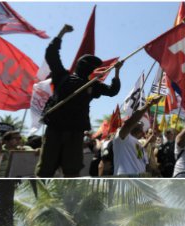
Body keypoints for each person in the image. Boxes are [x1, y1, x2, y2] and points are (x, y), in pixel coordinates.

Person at [36, 24, 122, 177]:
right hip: (56, 129)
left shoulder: (92, 85)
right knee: (47, 170)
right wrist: (61, 33)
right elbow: (51, 54)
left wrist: (116, 71)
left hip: (75, 132)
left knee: (71, 170)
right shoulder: (63, 77)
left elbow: (112, 91)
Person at [112, 97, 161, 176]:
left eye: (142, 127)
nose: (141, 126)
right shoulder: (121, 137)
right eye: (138, 123)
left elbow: (141, 161)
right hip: (125, 180)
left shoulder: (138, 144)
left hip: (138, 181)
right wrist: (149, 104)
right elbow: (130, 123)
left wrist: (154, 171)